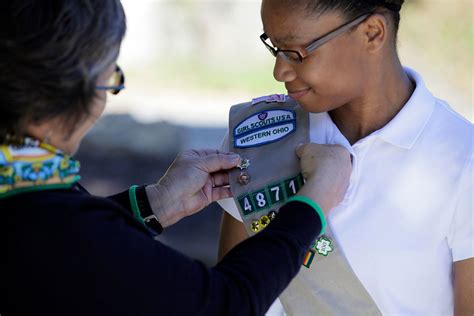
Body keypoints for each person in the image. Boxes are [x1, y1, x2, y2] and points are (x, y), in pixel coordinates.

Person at [0, 1, 354, 315]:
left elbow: (67, 255)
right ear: (74, 87)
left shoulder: (20, 184)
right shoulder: (49, 219)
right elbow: (226, 303)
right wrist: (313, 203)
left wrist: (153, 204)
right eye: (110, 77)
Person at [218, 0, 473, 315]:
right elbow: (230, 301)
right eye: (275, 48)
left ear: (372, 33)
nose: (279, 71)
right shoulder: (258, 138)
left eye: (297, 51)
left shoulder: (463, 159)